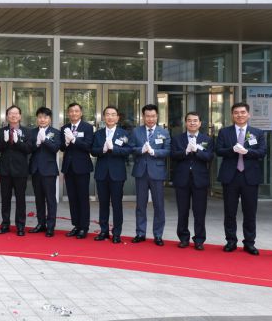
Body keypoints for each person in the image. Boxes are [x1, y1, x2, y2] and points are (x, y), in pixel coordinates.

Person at [216, 101, 267, 255]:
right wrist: (232, 150)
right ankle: (231, 241)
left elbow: (262, 152)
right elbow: (218, 151)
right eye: (236, 112)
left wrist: (247, 152)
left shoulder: (257, 132)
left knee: (250, 212)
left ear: (248, 114)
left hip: (249, 177)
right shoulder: (224, 132)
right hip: (230, 177)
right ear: (232, 115)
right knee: (230, 212)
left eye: (243, 112)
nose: (240, 115)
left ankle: (249, 243)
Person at [170, 111, 213, 250]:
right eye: (189, 120)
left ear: (200, 123)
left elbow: (209, 157)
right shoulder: (177, 139)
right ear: (185, 123)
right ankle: (183, 238)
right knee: (183, 211)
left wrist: (197, 152)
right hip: (182, 179)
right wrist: (186, 151)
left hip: (200, 180)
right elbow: (173, 156)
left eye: (195, 120)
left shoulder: (207, 139)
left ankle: (199, 240)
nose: (192, 123)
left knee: (199, 211)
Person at [129, 104, 171, 246]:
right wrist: (141, 150)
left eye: (153, 116)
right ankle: (140, 233)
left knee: (159, 205)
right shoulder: (136, 131)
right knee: (141, 205)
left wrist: (154, 152)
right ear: (143, 116)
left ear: (157, 116)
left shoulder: (163, 132)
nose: (150, 119)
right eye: (147, 116)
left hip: (157, 172)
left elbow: (167, 151)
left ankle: (158, 235)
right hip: (141, 172)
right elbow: (131, 148)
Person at [91, 105, 131, 244]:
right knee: (103, 204)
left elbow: (128, 151)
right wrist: (102, 150)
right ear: (103, 117)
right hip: (101, 173)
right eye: (107, 114)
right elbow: (93, 151)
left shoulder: (124, 133)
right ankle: (103, 231)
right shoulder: (98, 134)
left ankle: (116, 233)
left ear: (117, 117)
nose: (110, 117)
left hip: (117, 174)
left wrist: (114, 149)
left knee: (117, 204)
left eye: (113, 114)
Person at [0, 105, 32, 237]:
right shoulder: (1, 131)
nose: (13, 116)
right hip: (5, 171)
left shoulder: (27, 131)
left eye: (16, 113)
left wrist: (17, 142)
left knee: (20, 200)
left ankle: (20, 226)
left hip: (20, 171)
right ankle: (5, 224)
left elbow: (28, 149)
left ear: (20, 116)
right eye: (11, 113)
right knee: (5, 199)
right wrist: (5, 141)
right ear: (7, 116)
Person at [60, 102, 94, 239]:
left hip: (82, 167)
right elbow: (62, 147)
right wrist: (66, 143)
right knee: (72, 198)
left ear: (81, 113)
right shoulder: (64, 127)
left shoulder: (87, 127)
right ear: (68, 113)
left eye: (76, 111)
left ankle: (84, 227)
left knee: (82, 198)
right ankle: (76, 225)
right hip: (69, 167)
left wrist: (74, 140)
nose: (74, 113)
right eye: (71, 111)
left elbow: (88, 146)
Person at [28, 107, 61, 237]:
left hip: (49, 171)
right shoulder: (32, 132)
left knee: (50, 199)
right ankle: (41, 224)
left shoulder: (56, 132)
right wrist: (36, 143)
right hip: (36, 170)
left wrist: (45, 140)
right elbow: (28, 149)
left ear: (50, 119)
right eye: (40, 117)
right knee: (39, 199)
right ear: (37, 118)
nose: (42, 119)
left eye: (45, 117)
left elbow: (55, 148)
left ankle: (51, 226)